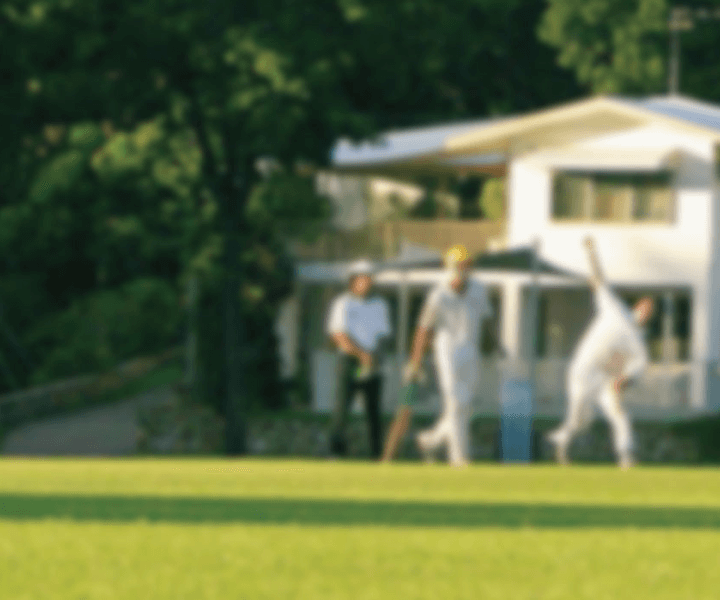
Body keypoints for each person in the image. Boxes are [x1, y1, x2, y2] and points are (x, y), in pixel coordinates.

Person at [547, 237, 654, 470]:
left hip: (606, 379)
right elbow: (599, 280)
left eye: (650, 311)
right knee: (579, 419)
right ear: (636, 307)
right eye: (644, 307)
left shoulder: (637, 342)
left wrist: (623, 381)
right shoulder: (615, 310)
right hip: (583, 371)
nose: (646, 312)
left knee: (620, 416)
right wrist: (591, 252)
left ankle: (626, 455)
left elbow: (638, 367)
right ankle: (562, 443)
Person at [403, 244, 503, 467]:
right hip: (447, 352)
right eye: (459, 266)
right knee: (455, 401)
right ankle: (459, 457)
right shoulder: (437, 295)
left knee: (464, 406)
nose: (463, 270)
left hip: (471, 351)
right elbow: (423, 329)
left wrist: (496, 345)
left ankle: (429, 440)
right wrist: (415, 362)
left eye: (467, 265)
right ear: (449, 268)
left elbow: (487, 320)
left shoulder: (479, 289)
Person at [326, 259, 392, 459]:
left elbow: (383, 333)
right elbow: (339, 335)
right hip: (350, 362)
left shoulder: (379, 304)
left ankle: (376, 454)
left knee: (374, 410)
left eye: (369, 278)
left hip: (372, 362)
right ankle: (336, 453)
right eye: (363, 278)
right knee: (342, 408)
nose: (367, 282)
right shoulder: (342, 303)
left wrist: (373, 357)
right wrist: (361, 354)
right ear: (353, 281)